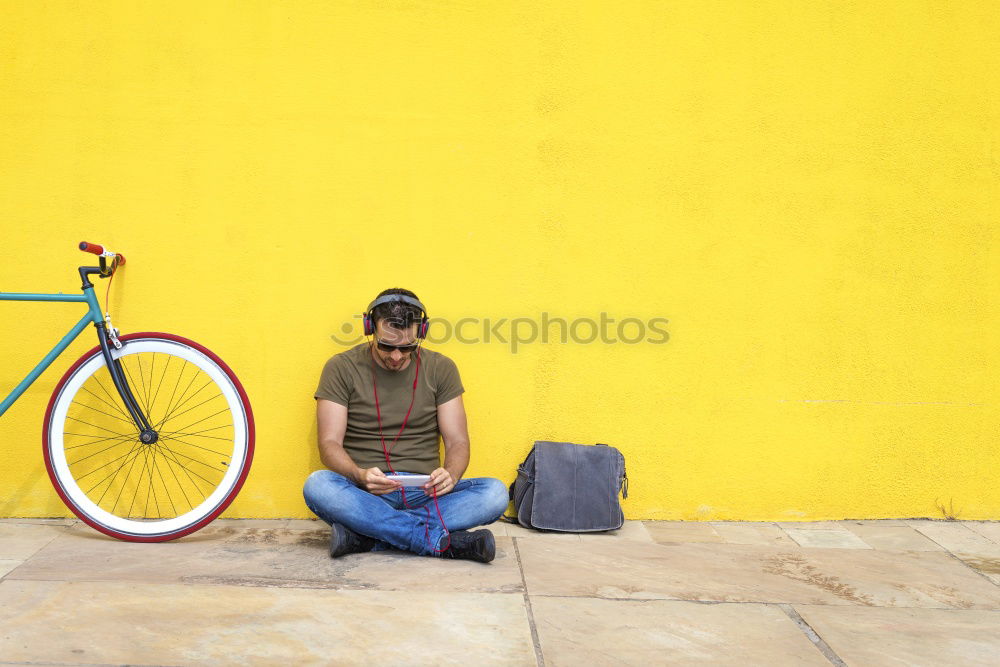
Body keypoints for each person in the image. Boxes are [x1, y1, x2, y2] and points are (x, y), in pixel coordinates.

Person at [302, 289, 509, 563]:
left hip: (427, 493)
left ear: (420, 333)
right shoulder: (340, 367)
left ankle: (370, 537)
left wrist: (451, 474)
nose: (397, 356)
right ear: (369, 330)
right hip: (367, 493)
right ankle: (439, 541)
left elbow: (458, 441)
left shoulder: (442, 368)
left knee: (494, 493)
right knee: (318, 485)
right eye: (386, 346)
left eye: (407, 347)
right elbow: (329, 443)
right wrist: (359, 474)